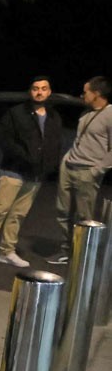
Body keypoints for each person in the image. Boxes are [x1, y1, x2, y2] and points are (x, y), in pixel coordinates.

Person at [0, 76, 63, 267]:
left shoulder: (54, 117)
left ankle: (7, 251)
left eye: (44, 88)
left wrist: (49, 166)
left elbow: (55, 144)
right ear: (30, 91)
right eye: (36, 88)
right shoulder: (16, 113)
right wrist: (25, 158)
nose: (40, 92)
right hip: (13, 169)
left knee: (18, 214)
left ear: (49, 92)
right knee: (0, 209)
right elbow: (4, 140)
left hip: (36, 174)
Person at [48, 75, 112, 264]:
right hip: (69, 167)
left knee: (84, 216)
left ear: (97, 93)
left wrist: (97, 170)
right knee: (63, 211)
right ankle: (67, 250)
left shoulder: (109, 114)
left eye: (86, 92)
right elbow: (80, 140)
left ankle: (84, 256)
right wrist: (66, 159)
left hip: (88, 171)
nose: (82, 95)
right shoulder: (86, 112)